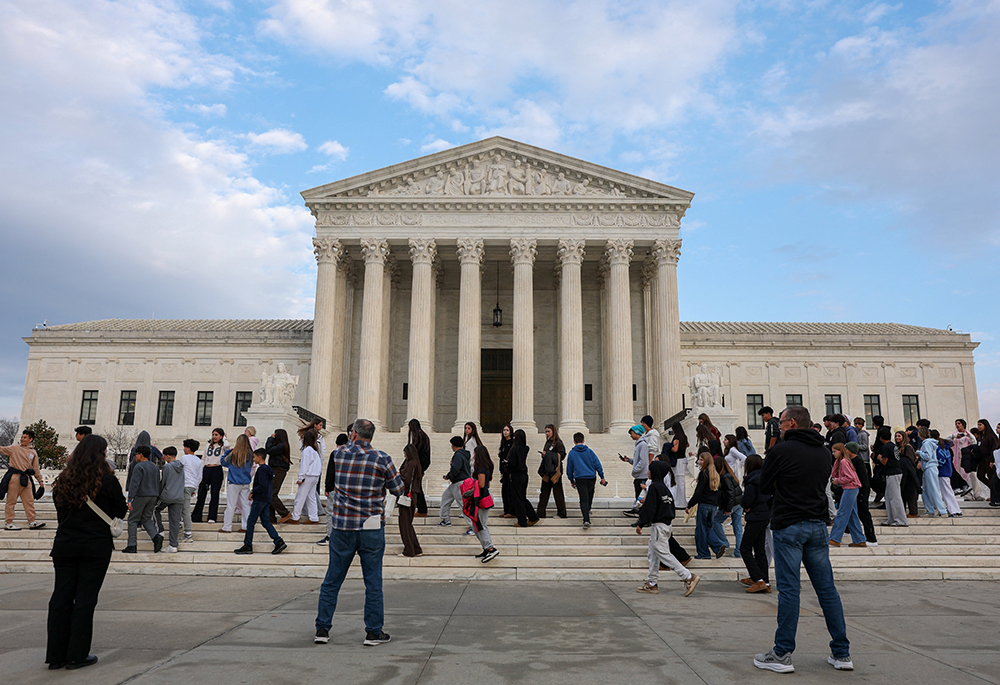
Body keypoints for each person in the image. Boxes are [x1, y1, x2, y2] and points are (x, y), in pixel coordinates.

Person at [755, 406, 852, 673]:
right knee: (827, 590)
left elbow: (764, 486)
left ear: (793, 423)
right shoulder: (823, 452)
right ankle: (842, 654)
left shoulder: (780, 451)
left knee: (789, 590)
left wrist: (781, 484)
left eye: (782, 422)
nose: (779, 426)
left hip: (789, 525)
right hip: (818, 526)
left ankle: (782, 653)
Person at [314, 418, 403, 647]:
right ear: (371, 436)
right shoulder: (382, 458)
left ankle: (322, 629)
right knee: (373, 581)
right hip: (371, 525)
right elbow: (398, 488)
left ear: (353, 433)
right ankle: (373, 632)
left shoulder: (339, 454)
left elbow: (332, 480)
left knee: (332, 579)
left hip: (343, 525)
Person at [46, 434, 127, 670]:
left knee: (60, 598)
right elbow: (120, 511)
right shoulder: (107, 481)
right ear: (101, 454)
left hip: (65, 544)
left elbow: (61, 513)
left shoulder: (63, 480)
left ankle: (56, 655)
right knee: (85, 599)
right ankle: (76, 654)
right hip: (94, 545)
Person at [635, 461, 700, 596]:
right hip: (666, 525)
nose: (648, 472)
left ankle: (688, 576)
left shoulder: (653, 487)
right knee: (653, 555)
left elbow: (650, 508)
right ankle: (652, 583)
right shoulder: (665, 489)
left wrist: (641, 523)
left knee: (664, 554)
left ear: (655, 472)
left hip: (659, 526)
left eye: (649, 470)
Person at [234, 448, 287, 555]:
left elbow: (262, 485)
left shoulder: (262, 470)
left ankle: (248, 545)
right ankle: (278, 541)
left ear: (259, 457)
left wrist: (253, 492)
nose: (253, 459)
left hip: (260, 499)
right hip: (266, 499)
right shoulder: (268, 469)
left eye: (254, 457)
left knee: (251, 521)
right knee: (265, 521)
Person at [1, 429, 46, 530]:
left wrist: (40, 481)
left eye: (25, 437)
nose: (22, 439)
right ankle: (9, 522)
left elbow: (35, 468)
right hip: (14, 477)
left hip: (26, 478)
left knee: (29, 501)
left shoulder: (33, 452)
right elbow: (2, 449)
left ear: (31, 439)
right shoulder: (14, 448)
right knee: (11, 501)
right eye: (22, 437)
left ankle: (32, 521)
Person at [739, 454, 771, 593]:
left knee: (745, 548)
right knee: (760, 549)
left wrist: (745, 505)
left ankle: (758, 579)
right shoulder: (765, 479)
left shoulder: (752, 480)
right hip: (764, 515)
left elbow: (747, 500)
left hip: (755, 516)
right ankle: (765, 580)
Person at [686, 451, 726, 559]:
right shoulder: (715, 474)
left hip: (704, 505)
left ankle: (704, 552)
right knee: (708, 528)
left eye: (701, 459)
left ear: (706, 461)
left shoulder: (703, 474)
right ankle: (718, 546)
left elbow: (698, 492)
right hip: (712, 506)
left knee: (701, 530)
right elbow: (719, 492)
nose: (699, 462)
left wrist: (689, 505)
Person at [122, 446, 162, 554]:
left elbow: (134, 484)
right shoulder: (155, 467)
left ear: (141, 455)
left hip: (141, 495)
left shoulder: (138, 467)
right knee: (146, 518)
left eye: (136, 453)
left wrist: (130, 499)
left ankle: (132, 545)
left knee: (132, 519)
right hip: (153, 495)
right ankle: (155, 536)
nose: (134, 456)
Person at [464, 444, 498, 563]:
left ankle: (490, 548)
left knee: (480, 525)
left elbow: (482, 484)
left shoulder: (481, 467)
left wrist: (470, 489)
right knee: (477, 525)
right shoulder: (487, 466)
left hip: (482, 498)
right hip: (483, 496)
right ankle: (486, 548)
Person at [828, 443, 866, 548]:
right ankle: (859, 539)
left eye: (835, 451)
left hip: (850, 488)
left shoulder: (844, 462)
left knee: (842, 512)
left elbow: (850, 477)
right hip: (851, 489)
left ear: (840, 451)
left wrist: (838, 480)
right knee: (852, 515)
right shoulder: (843, 461)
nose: (833, 453)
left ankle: (835, 538)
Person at [566, 432, 607, 528]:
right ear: (583, 441)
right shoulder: (589, 451)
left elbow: (569, 469)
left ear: (574, 441)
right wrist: (602, 477)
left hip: (580, 478)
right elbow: (597, 464)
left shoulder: (572, 453)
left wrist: (571, 480)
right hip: (591, 477)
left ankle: (586, 519)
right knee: (589, 496)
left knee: (583, 499)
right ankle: (587, 512)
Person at [319, 433, 350, 545]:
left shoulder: (336, 453)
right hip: (348, 490)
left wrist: (328, 487)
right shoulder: (352, 454)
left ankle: (330, 536)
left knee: (331, 513)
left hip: (335, 488)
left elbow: (330, 471)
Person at [192, 428, 228, 524]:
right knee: (201, 493)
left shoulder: (223, 446)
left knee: (214, 494)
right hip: (207, 469)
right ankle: (196, 516)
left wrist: (224, 438)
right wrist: (202, 469)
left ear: (221, 436)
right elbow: (203, 458)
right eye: (213, 434)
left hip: (217, 469)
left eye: (216, 435)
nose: (214, 436)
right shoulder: (208, 445)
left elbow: (228, 446)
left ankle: (212, 517)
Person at [219, 434, 253, 533]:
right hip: (245, 482)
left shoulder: (233, 454)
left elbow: (223, 462)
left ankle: (227, 527)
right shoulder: (250, 454)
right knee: (246, 505)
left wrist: (227, 451)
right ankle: (246, 526)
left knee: (231, 505)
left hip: (234, 482)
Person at [846, 440, 877, 546]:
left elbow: (863, 478)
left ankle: (871, 538)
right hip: (859, 490)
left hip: (862, 490)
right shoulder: (852, 460)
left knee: (864, 514)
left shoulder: (858, 461)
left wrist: (863, 491)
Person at [154, 446, 184, 553]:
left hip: (167, 495)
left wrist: (158, 494)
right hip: (179, 497)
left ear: (168, 456)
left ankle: (160, 530)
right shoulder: (181, 466)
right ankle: (173, 545)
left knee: (154, 509)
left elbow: (164, 482)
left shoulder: (167, 467)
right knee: (175, 521)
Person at [506, 429, 539, 528]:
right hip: (524, 474)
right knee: (521, 497)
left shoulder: (515, 448)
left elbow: (512, 463)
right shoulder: (525, 448)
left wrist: (507, 464)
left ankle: (522, 521)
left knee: (518, 498)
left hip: (516, 474)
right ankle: (532, 517)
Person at [876, 427, 907, 526]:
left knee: (895, 497)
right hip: (895, 472)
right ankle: (892, 519)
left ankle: (901, 520)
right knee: (889, 497)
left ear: (881, 438)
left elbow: (884, 462)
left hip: (892, 473)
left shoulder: (885, 447)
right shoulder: (893, 446)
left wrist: (879, 458)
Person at [438, 436, 472, 526]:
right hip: (457, 482)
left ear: (453, 445)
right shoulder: (464, 454)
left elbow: (456, 469)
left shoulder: (458, 455)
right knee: (445, 497)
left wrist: (449, 475)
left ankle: (473, 526)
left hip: (459, 483)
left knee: (463, 504)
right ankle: (445, 519)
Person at [397, 443, 423, 558]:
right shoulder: (416, 464)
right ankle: (416, 549)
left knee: (404, 524)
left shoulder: (411, 464)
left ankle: (409, 550)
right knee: (408, 523)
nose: (404, 455)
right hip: (413, 495)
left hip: (408, 496)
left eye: (405, 453)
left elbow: (406, 480)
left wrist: (398, 475)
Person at [291, 429, 322, 523]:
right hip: (315, 476)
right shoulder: (315, 451)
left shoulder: (307, 451)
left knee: (300, 497)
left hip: (308, 476)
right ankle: (313, 517)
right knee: (311, 498)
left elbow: (304, 466)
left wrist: (301, 478)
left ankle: (295, 517)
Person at [537, 424, 567, 519]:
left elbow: (561, 455)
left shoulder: (558, 443)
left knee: (558, 493)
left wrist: (549, 454)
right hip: (547, 471)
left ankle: (562, 513)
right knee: (544, 493)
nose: (547, 433)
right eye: (546, 431)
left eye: (548, 431)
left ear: (553, 431)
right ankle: (540, 513)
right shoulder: (547, 443)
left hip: (555, 472)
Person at [713, 456, 741, 558]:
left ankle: (725, 543)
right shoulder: (730, 475)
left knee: (715, 521)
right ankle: (738, 551)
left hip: (732, 504)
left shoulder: (724, 477)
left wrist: (728, 508)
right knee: (738, 528)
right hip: (738, 503)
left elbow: (730, 493)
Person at [931, 431, 963, 517]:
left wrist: (935, 464)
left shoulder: (937, 447)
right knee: (947, 491)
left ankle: (954, 510)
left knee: (946, 492)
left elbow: (941, 459)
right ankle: (954, 510)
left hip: (942, 471)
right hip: (947, 470)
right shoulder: (944, 446)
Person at [917, 428, 947, 516]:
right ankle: (930, 510)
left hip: (929, 467)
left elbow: (927, 456)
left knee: (933, 489)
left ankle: (942, 510)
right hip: (929, 468)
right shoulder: (931, 443)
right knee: (925, 491)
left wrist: (918, 453)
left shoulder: (926, 443)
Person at [947, 419, 980, 499]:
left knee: (972, 476)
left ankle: (977, 494)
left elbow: (974, 442)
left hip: (966, 458)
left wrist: (968, 435)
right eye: (956, 423)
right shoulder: (954, 434)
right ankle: (967, 496)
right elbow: (946, 441)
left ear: (963, 425)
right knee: (961, 475)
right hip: (956, 459)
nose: (957, 425)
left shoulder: (968, 434)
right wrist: (954, 436)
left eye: (959, 423)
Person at [265, 428, 293, 524]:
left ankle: (285, 513)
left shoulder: (281, 446)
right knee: (269, 493)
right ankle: (271, 518)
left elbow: (268, 450)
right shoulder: (281, 445)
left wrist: (270, 438)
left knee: (271, 493)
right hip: (275, 469)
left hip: (278, 470)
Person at [622, 424, 650, 516]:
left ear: (637, 432)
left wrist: (635, 470)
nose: (631, 435)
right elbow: (638, 460)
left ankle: (641, 514)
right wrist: (629, 460)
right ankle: (638, 512)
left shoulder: (642, 445)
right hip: (639, 475)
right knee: (638, 496)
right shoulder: (639, 445)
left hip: (641, 476)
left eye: (632, 433)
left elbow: (643, 461)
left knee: (641, 497)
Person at [406, 419, 431, 516]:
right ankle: (421, 509)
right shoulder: (424, 435)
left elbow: (415, 452)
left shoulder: (419, 436)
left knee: (417, 487)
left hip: (420, 463)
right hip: (423, 463)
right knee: (417, 486)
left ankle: (422, 509)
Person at [178, 439, 201, 543]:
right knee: (184, 508)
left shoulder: (184, 458)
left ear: (188, 448)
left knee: (185, 509)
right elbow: (199, 476)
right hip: (191, 486)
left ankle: (188, 533)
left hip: (184, 485)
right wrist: (194, 487)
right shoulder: (198, 460)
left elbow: (179, 471)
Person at [895, 430, 920, 518]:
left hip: (909, 474)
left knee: (910, 494)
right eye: (896, 436)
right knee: (903, 493)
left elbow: (910, 462)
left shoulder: (907, 447)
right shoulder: (898, 447)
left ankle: (913, 512)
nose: (897, 438)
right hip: (901, 473)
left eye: (899, 436)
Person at [497, 424, 515, 517]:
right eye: (504, 430)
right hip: (504, 471)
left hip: (510, 470)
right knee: (504, 492)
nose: (505, 432)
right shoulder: (503, 443)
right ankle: (506, 510)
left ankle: (511, 511)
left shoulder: (513, 443)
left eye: (507, 430)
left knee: (509, 491)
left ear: (511, 432)